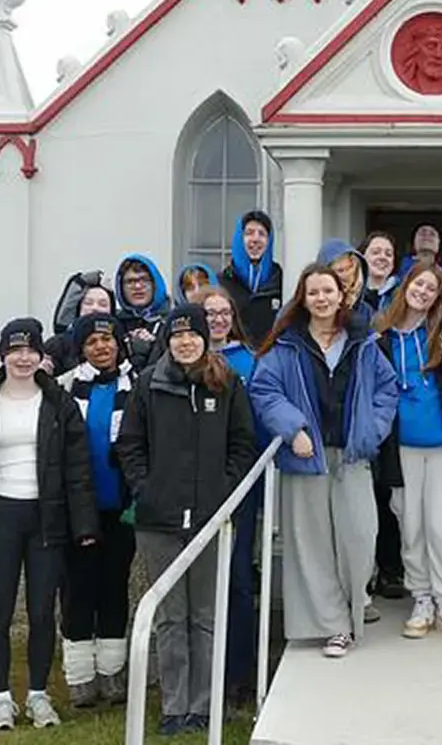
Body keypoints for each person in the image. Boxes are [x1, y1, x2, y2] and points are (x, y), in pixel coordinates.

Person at [0, 318, 99, 732]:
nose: (23, 358)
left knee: (43, 611)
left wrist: (83, 524)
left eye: (30, 350)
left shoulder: (59, 403)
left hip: (46, 517)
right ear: (3, 355)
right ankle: (1, 698)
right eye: (15, 351)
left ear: (41, 355)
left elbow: (78, 469)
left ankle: (39, 695)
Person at [115, 304, 258, 735]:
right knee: (170, 617)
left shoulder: (226, 383)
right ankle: (175, 707)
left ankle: (204, 705)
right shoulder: (148, 384)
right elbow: (130, 445)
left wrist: (223, 490)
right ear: (168, 339)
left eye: (192, 334)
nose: (185, 342)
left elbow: (242, 442)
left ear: (204, 337)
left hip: (212, 519)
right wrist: (146, 488)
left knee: (205, 615)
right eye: (177, 335)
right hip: (159, 521)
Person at [249, 264, 398, 658]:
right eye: (313, 292)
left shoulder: (362, 341)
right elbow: (265, 391)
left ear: (340, 295)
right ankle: (333, 626)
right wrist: (293, 428)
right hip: (306, 457)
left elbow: (387, 389)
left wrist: (372, 429)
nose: (321, 299)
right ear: (304, 297)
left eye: (327, 291)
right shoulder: (286, 345)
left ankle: (353, 607)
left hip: (352, 455)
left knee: (360, 538)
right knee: (311, 544)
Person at [373, 263, 442, 642]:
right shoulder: (380, 336)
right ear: (406, 286)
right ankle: (422, 599)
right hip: (400, 448)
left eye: (432, 288)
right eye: (419, 283)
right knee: (411, 525)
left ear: (439, 296)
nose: (423, 291)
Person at [55, 313, 138, 708]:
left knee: (114, 587)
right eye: (92, 342)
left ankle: (111, 672)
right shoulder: (66, 389)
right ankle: (80, 676)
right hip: (77, 507)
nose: (101, 347)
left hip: (120, 506)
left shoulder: (136, 385)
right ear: (81, 348)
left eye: (107, 340)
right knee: (77, 588)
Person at [317, 238, 400, 600]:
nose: (346, 282)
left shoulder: (367, 317)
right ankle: (333, 600)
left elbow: (385, 383)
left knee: (365, 522)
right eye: (339, 273)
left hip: (359, 438)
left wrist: (373, 428)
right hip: (318, 440)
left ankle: (361, 589)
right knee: (323, 528)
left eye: (352, 274)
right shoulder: (302, 321)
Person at [199, 284, 262, 703]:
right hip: (193, 486)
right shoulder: (182, 359)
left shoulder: (251, 361)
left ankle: (238, 673)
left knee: (238, 578)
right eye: (210, 313)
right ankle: (200, 672)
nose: (218, 319)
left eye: (224, 313)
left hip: (241, 485)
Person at [218, 210, 283, 348]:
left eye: (262, 234)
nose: (255, 239)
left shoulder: (281, 281)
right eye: (249, 233)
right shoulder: (222, 282)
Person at [41, 270, 115, 376]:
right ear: (79, 309)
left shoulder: (120, 344)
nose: (95, 308)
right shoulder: (57, 345)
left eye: (102, 304)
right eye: (88, 303)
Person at [115, 254, 172, 371]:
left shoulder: (171, 322)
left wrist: (154, 347)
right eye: (130, 281)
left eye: (144, 280)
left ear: (155, 284)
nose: (137, 286)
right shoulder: (115, 324)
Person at [318, 239, 376, 329]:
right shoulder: (308, 306)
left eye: (348, 269)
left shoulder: (366, 312)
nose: (344, 276)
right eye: (338, 271)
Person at [360, 231, 400, 313]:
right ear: (362, 257)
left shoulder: (402, 295)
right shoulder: (350, 293)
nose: (382, 257)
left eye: (388, 254)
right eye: (375, 252)